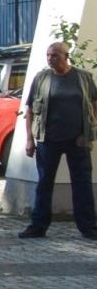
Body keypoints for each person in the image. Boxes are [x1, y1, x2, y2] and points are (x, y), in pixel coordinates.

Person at [19, 40, 97, 239]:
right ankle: (38, 226)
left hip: (77, 140)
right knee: (44, 182)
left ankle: (88, 227)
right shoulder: (41, 78)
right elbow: (29, 110)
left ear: (65, 56)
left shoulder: (83, 78)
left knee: (82, 183)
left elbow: (94, 105)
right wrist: (29, 139)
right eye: (48, 55)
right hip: (48, 139)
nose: (50, 59)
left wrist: (88, 131)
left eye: (54, 55)